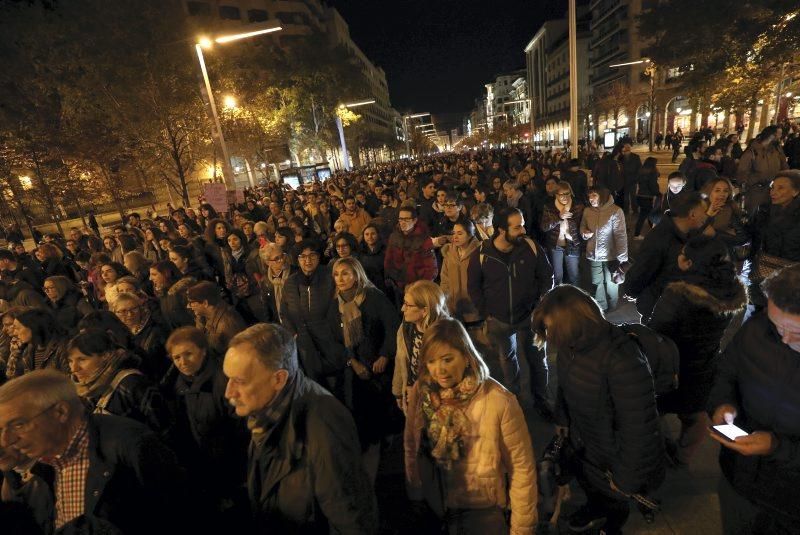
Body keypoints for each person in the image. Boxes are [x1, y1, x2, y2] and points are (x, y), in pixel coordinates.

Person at [222, 323, 378, 533]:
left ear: (279, 379)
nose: (228, 392)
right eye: (228, 378)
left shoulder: (325, 425)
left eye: (239, 381)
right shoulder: (264, 411)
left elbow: (350, 518)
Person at [532, 285, 664, 534]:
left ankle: (612, 526)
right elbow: (565, 387)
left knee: (615, 500)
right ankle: (595, 509)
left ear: (574, 323)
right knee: (593, 487)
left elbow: (639, 427)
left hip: (613, 454)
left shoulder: (622, 358)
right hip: (586, 444)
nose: (548, 336)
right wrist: (562, 418)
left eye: (551, 328)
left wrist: (626, 480)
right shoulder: (571, 348)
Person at [0, 370, 187, 533]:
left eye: (19, 424)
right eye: (1, 429)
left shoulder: (129, 444)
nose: (6, 440)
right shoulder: (45, 467)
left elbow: (182, 516)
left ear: (60, 412)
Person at [404, 318, 537, 534]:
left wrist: (522, 529)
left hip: (483, 514)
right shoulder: (423, 392)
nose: (440, 370)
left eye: (447, 359)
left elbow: (521, 468)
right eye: (432, 361)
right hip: (436, 508)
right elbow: (412, 443)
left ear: (466, 357)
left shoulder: (499, 401)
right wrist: (415, 492)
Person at [707, 265, 800, 533]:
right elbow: (725, 372)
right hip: (739, 478)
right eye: (777, 325)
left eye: (796, 331)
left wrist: (776, 446)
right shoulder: (757, 329)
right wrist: (722, 404)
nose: (784, 339)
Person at [648, 236, 747, 466]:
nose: (679, 256)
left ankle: (656, 453)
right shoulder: (730, 292)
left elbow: (656, 332)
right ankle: (683, 457)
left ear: (691, 263)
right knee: (695, 416)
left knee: (654, 411)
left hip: (671, 368)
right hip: (704, 366)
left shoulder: (678, 296)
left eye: (684, 255)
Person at [467, 206, 554, 414]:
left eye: (522, 225)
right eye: (517, 227)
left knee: (538, 361)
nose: (523, 230)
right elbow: (474, 287)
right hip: (499, 320)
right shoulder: (481, 254)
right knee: (507, 359)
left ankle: (542, 400)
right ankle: (514, 401)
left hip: (530, 317)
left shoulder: (531, 247)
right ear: (500, 230)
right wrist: (486, 313)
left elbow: (547, 277)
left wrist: (540, 306)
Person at [162, 326, 248, 523]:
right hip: (205, 465)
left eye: (189, 354)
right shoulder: (177, 384)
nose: (183, 362)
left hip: (231, 467)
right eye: (177, 358)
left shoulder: (223, 381)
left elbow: (240, 429)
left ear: (203, 351)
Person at [330, 257, 399, 483]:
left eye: (345, 274)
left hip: (377, 368)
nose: (340, 279)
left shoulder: (374, 298)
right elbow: (335, 339)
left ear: (357, 275)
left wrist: (385, 355)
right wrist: (352, 362)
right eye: (337, 274)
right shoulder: (335, 303)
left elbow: (392, 327)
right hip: (353, 371)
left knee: (378, 415)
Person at [66, 329, 173, 436]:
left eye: (82, 360)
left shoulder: (131, 383)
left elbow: (164, 427)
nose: (74, 368)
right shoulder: (84, 392)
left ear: (105, 356)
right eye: (70, 361)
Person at [625, 192, 710, 321]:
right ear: (692, 214)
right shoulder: (660, 238)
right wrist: (631, 291)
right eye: (704, 211)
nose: (706, 216)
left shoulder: (689, 233)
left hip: (677, 308)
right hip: (657, 309)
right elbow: (642, 270)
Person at [280, 240, 347, 390]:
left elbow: (337, 308)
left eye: (312, 255)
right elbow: (284, 312)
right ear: (297, 259)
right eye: (303, 257)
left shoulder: (330, 278)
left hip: (329, 340)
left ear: (319, 257)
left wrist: (333, 333)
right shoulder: (290, 282)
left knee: (336, 383)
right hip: (303, 342)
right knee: (313, 384)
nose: (307, 260)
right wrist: (293, 333)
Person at [392, 280, 450, 414]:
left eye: (408, 305)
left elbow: (448, 378)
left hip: (439, 406)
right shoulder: (406, 328)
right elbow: (400, 360)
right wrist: (398, 392)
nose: (402, 309)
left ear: (424, 310)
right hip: (412, 396)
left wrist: (421, 392)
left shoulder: (446, 335)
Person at [580, 186, 628, 313]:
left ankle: (613, 303)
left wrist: (623, 258)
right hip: (593, 254)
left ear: (603, 195)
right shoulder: (587, 211)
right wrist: (584, 233)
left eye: (594, 195)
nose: (591, 199)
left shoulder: (616, 211)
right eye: (589, 196)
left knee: (612, 281)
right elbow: (582, 226)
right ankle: (601, 305)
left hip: (611, 255)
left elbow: (620, 235)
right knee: (597, 282)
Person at [384, 204, 438, 305]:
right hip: (398, 286)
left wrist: (418, 286)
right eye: (400, 219)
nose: (402, 223)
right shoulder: (394, 237)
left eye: (406, 219)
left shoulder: (423, 239)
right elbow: (388, 260)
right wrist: (391, 278)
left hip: (417, 288)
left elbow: (431, 268)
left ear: (414, 220)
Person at [111, 291, 170, 381]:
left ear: (141, 309)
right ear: (115, 313)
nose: (130, 314)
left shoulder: (157, 331)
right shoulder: (114, 336)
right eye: (123, 311)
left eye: (134, 309)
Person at [186, 281, 247, 357]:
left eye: (191, 302)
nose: (188, 306)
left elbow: (241, 351)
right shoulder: (205, 317)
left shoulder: (227, 323)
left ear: (205, 303)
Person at [737, 126, 789, 213]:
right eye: (778, 134)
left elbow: (784, 166)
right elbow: (742, 172)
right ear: (771, 135)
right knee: (754, 217)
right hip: (755, 192)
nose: (780, 137)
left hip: (774, 190)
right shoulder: (753, 151)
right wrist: (744, 188)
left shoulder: (777, 150)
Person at [540, 182, 584, 285]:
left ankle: (576, 298)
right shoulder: (549, 207)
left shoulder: (578, 206)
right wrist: (559, 217)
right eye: (561, 194)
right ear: (556, 195)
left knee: (574, 275)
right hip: (556, 245)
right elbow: (544, 227)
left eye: (567, 193)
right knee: (557, 276)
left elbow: (582, 224)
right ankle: (559, 298)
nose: (564, 197)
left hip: (573, 244)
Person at [439, 219, 481, 323]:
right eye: (454, 233)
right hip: (454, 310)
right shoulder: (449, 253)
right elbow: (445, 280)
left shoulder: (480, 252)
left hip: (475, 311)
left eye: (460, 233)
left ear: (470, 234)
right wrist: (445, 303)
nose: (455, 237)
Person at [6, 308, 69, 378]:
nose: (15, 333)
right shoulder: (27, 351)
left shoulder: (63, 348)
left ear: (33, 327)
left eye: (17, 328)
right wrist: (16, 354)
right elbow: (15, 379)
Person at [149, 259, 195, 329]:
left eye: (154, 274)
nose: (150, 278)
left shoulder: (183, 291)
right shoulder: (163, 294)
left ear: (167, 274)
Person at [633, 156, 661, 239]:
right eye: (656, 164)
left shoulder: (641, 170)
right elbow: (653, 185)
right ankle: (637, 234)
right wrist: (658, 193)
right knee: (644, 216)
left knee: (648, 214)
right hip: (647, 197)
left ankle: (654, 231)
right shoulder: (652, 172)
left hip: (640, 196)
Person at [618, 143, 642, 214]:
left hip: (632, 180)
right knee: (626, 196)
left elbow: (639, 168)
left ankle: (634, 209)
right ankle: (626, 210)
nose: (626, 151)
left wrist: (637, 178)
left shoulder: (636, 157)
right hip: (624, 180)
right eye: (625, 149)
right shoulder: (621, 157)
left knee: (632, 196)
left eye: (627, 149)